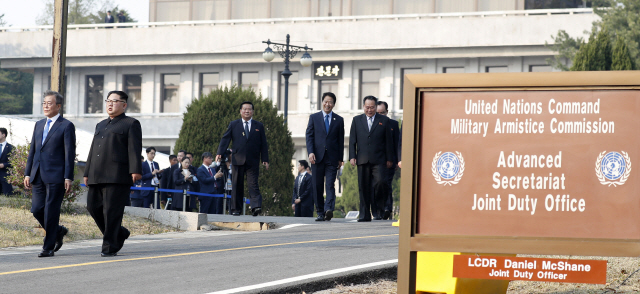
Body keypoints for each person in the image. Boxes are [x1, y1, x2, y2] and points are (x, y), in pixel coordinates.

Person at [84, 90, 142, 257]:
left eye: (115, 101)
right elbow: (92, 150)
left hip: (117, 175)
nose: (110, 104)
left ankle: (109, 246)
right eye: (108, 101)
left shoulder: (131, 123)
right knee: (93, 207)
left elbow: (134, 148)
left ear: (124, 105)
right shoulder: (100, 125)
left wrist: (136, 169)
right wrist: (87, 171)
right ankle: (119, 233)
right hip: (97, 174)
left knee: (111, 212)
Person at [23, 91, 76, 258]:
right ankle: (58, 231)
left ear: (58, 106)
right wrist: (27, 173)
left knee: (51, 211)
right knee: (37, 209)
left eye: (49, 103)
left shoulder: (66, 125)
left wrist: (68, 177)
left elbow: (69, 153)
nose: (46, 106)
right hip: (37, 174)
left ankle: (48, 246)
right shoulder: (38, 124)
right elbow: (33, 151)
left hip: (56, 175)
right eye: (44, 103)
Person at [216, 101, 269, 216]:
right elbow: (225, 139)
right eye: (244, 109)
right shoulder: (234, 124)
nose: (247, 111)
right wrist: (219, 153)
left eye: (249, 109)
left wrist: (265, 158)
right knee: (236, 185)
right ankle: (235, 209)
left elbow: (263, 143)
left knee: (253, 184)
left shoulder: (258, 126)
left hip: (253, 160)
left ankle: (256, 207)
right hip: (237, 159)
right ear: (240, 111)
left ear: (253, 112)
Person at [349, 95, 393, 222]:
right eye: (367, 107)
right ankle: (364, 214)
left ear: (375, 107)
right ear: (363, 107)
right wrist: (352, 156)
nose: (369, 110)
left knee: (380, 183)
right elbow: (352, 140)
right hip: (362, 159)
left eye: (372, 107)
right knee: (363, 187)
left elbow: (388, 141)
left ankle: (378, 210)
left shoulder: (383, 120)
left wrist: (390, 158)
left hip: (379, 159)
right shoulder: (357, 120)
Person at [305, 92, 344, 221]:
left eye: (330, 102)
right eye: (326, 101)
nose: (328, 104)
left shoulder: (339, 120)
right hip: (316, 157)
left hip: (332, 158)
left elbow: (340, 140)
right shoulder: (314, 117)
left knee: (330, 184)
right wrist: (310, 152)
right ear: (322, 102)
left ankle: (328, 209)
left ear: (334, 104)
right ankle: (320, 212)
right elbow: (309, 136)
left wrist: (340, 159)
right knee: (317, 185)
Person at [376, 101, 400, 220]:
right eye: (378, 113)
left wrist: (397, 160)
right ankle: (378, 210)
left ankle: (387, 208)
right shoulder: (373, 124)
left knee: (387, 184)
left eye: (383, 112)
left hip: (389, 161)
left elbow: (397, 144)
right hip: (376, 162)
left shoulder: (393, 124)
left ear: (387, 112)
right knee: (378, 185)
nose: (381, 115)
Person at [0, 127, 14, 196]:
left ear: (3, 135)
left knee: (7, 196)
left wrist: (4, 165)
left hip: (5, 176)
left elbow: (14, 162)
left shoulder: (11, 148)